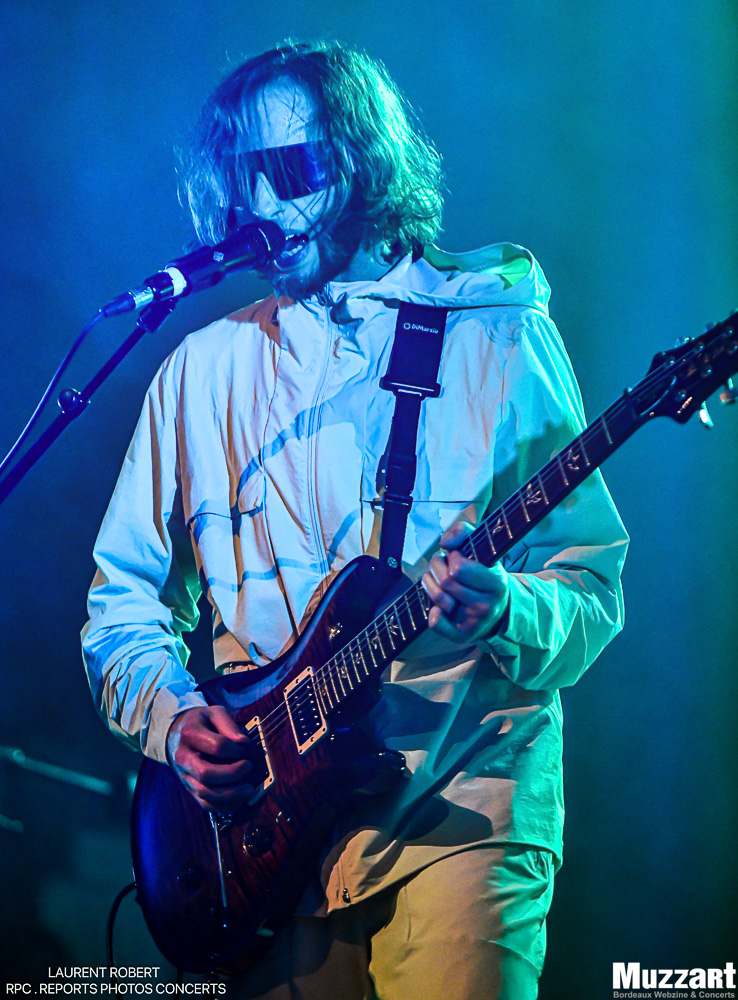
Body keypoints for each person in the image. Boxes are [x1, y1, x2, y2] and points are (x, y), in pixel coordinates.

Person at [82, 41, 628, 1000]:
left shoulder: (497, 333)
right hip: (259, 843)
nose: (262, 205)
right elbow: (121, 602)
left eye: (292, 170)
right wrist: (174, 721)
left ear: (364, 160)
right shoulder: (200, 373)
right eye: (242, 177)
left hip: (461, 809)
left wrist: (506, 608)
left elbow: (590, 584)